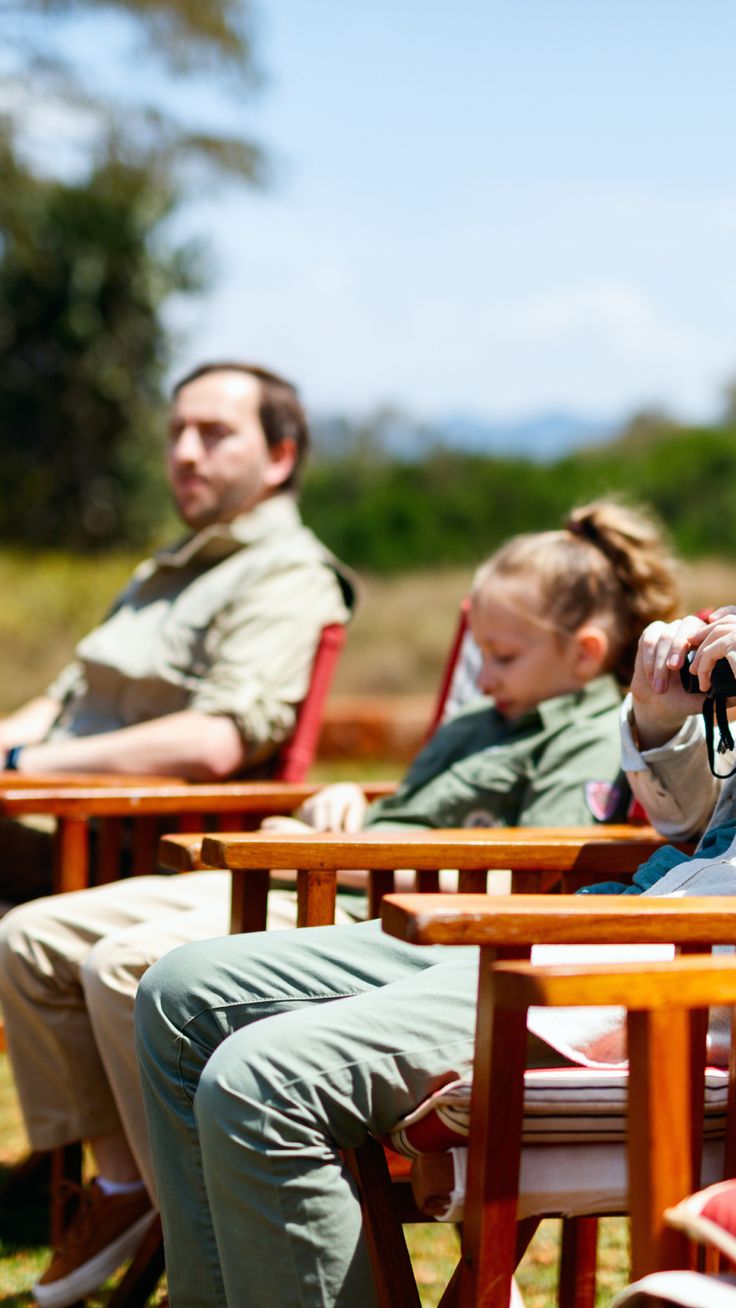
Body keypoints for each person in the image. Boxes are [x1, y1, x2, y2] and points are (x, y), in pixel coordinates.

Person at [0, 500, 675, 1306]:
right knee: (74, 951)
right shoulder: (480, 721)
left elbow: (535, 868)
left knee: (135, 974)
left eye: (500, 655)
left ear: (584, 653)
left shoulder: (586, 733)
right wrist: (343, 812)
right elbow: (416, 810)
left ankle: (180, 1216)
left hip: (385, 902)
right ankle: (148, 1204)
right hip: (342, 875)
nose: (481, 674)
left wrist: (364, 861)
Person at [134, 602, 736, 1308]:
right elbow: (696, 824)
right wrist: (661, 721)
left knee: (259, 1083)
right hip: (609, 914)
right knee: (180, 994)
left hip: (673, 968)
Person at [0, 360, 355, 903]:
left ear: (279, 458)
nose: (185, 453)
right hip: (52, 814)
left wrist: (27, 766)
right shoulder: (166, 570)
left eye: (215, 434)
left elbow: (215, 740)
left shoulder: (289, 575)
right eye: (176, 433)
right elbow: (63, 700)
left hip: (123, 846)